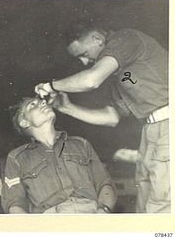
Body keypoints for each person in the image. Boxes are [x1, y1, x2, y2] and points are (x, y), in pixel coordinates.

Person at [34, 22, 169, 213]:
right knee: (146, 201)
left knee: (162, 204)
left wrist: (51, 86)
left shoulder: (125, 37)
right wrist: (68, 108)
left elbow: (91, 79)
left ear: (97, 38)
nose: (84, 62)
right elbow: (111, 117)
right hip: (151, 128)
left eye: (83, 54)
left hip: (168, 124)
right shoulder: (120, 74)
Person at [1, 96, 117, 214]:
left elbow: (105, 185)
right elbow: (14, 205)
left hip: (92, 216)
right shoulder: (17, 158)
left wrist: (103, 211)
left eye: (42, 101)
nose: (43, 102)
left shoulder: (81, 144)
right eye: (33, 104)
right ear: (24, 122)